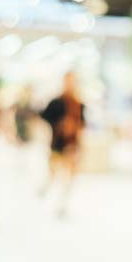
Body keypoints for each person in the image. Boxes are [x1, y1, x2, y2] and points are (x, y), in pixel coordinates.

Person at [40, 72, 86, 218]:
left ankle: (62, 203)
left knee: (69, 177)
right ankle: (47, 191)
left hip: (72, 145)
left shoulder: (79, 104)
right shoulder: (56, 103)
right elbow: (45, 120)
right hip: (57, 144)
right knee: (53, 173)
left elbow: (82, 125)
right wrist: (60, 126)